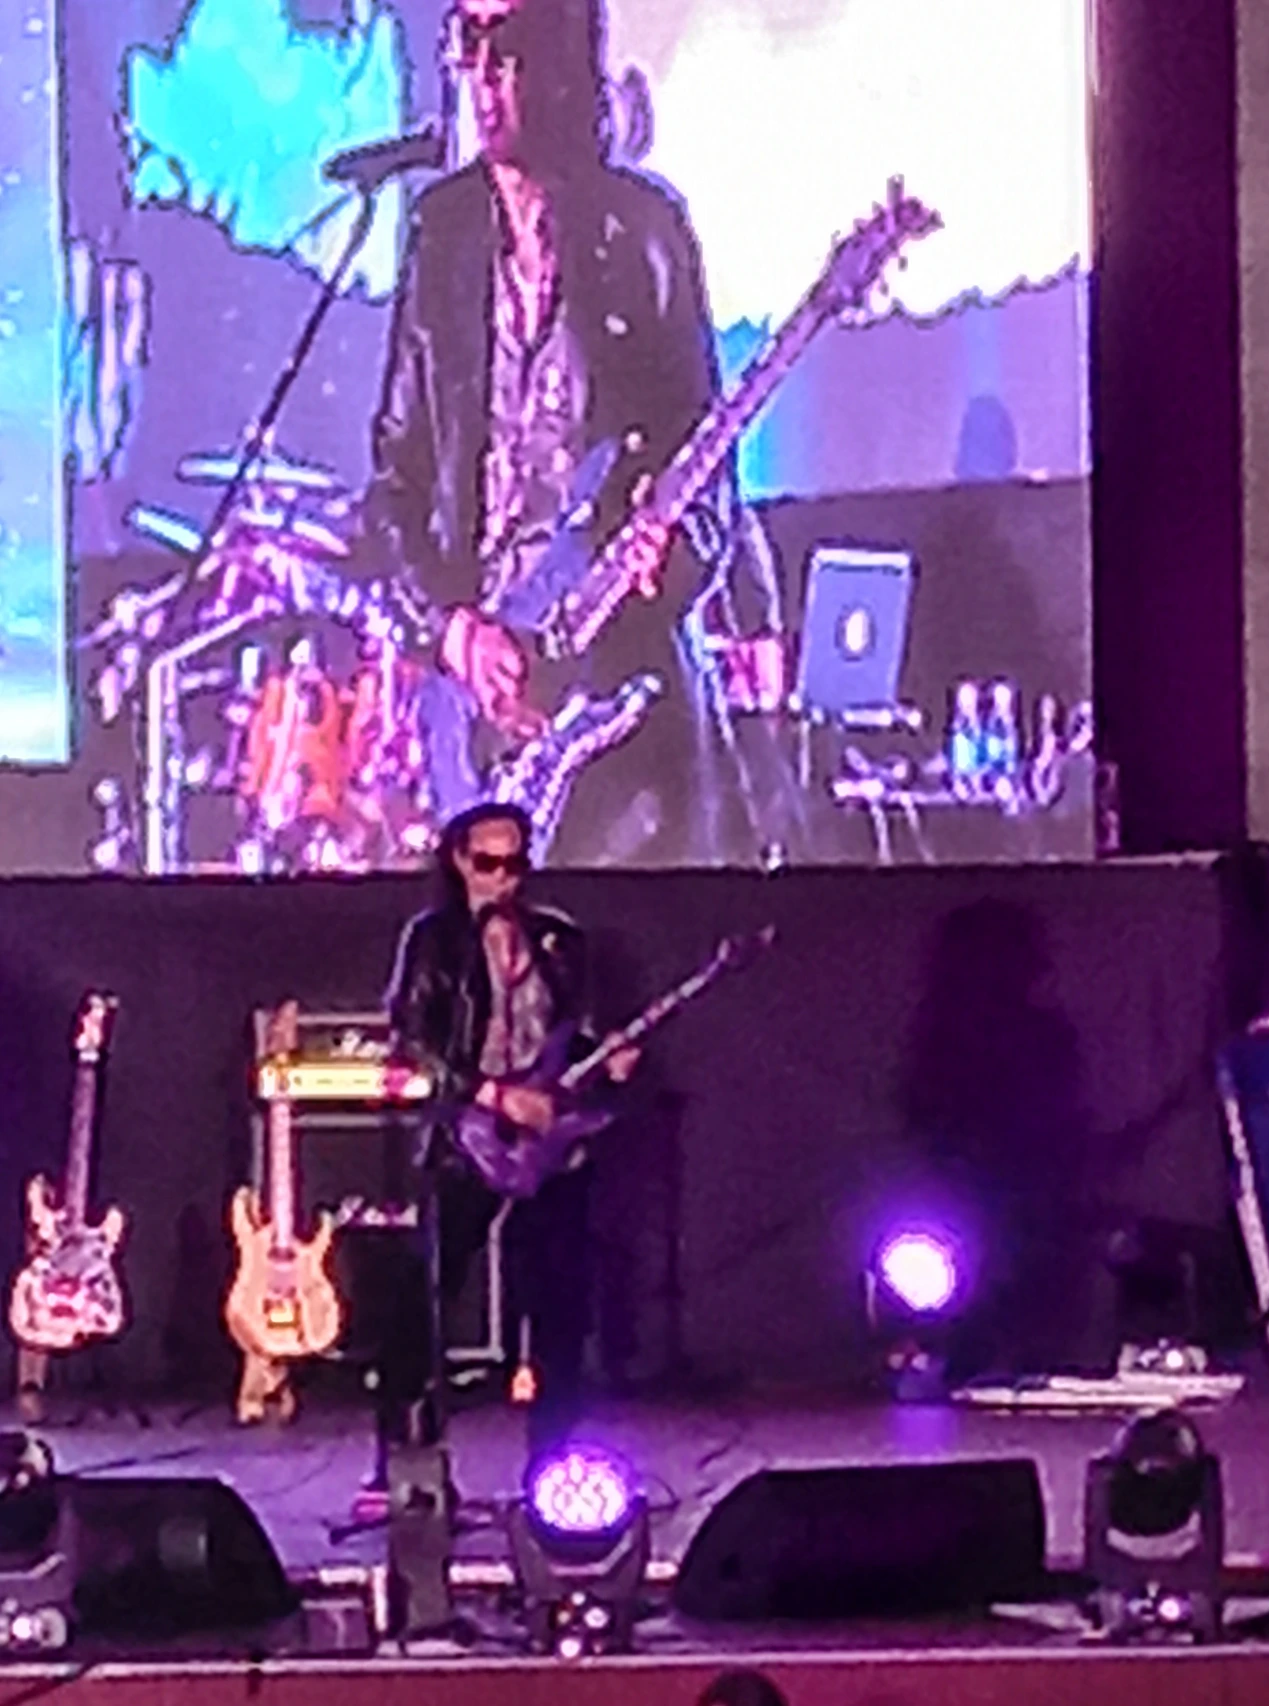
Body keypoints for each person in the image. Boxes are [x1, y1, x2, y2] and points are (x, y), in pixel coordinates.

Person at [363, 0, 753, 865]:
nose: (485, 73)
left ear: (566, 57)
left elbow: (710, 488)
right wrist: (454, 631)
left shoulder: (644, 233)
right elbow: (394, 485)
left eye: (509, 44)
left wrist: (670, 556)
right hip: (480, 720)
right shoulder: (441, 236)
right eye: (468, 41)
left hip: (623, 722)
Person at [385, 799, 637, 1451]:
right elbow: (414, 1041)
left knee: (560, 1298)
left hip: (548, 1136)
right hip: (467, 1135)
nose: (502, 879)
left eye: (514, 864)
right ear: (459, 862)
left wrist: (608, 1059)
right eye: (487, 864)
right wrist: (493, 1095)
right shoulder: (434, 940)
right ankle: (406, 1450)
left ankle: (555, 1456)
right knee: (426, 1291)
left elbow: (576, 1030)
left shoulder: (557, 939)